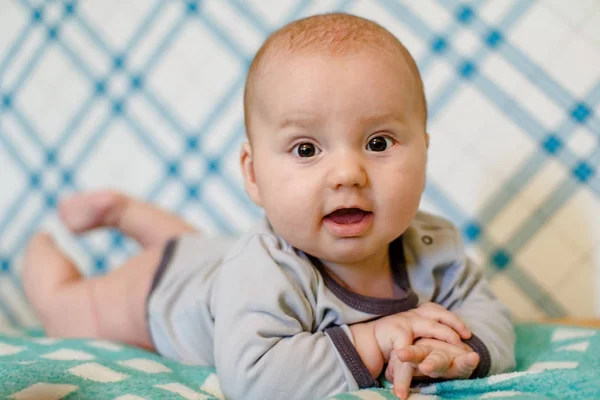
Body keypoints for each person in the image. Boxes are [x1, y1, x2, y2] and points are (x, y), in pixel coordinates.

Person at [21, 13, 515, 400]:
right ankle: (41, 251)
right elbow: (255, 380)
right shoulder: (263, 271)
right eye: (306, 149)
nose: (347, 173)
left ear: (425, 153)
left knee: (193, 244)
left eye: (379, 143)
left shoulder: (435, 246)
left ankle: (127, 214)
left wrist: (459, 352)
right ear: (254, 174)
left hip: (209, 257)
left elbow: (486, 315)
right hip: (159, 292)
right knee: (68, 308)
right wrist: (379, 339)